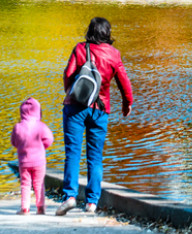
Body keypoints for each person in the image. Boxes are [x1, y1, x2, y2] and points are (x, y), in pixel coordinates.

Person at [56, 17, 134, 215]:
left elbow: (68, 74)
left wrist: (70, 93)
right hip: (100, 109)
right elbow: (124, 82)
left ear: (90, 31)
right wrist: (127, 103)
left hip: (75, 107)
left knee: (72, 153)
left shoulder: (80, 49)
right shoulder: (114, 54)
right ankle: (91, 202)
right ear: (107, 33)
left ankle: (70, 197)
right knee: (95, 156)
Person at [11, 97, 54, 215]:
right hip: (39, 161)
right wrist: (42, 146)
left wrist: (21, 146)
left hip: (24, 162)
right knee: (39, 184)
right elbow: (49, 139)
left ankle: (25, 208)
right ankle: (41, 207)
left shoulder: (18, 127)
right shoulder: (41, 126)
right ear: (38, 111)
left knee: (25, 184)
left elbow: (14, 142)